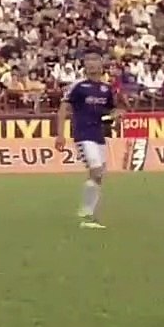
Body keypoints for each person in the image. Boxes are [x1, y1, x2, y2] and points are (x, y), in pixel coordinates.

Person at [54, 51, 122, 230]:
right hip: (83, 135)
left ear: (101, 65)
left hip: (98, 136)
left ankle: (89, 214)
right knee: (96, 171)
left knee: (97, 176)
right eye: (88, 62)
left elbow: (110, 111)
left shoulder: (106, 89)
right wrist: (60, 134)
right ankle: (86, 214)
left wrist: (115, 115)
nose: (91, 65)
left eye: (95, 61)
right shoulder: (78, 86)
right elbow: (63, 110)